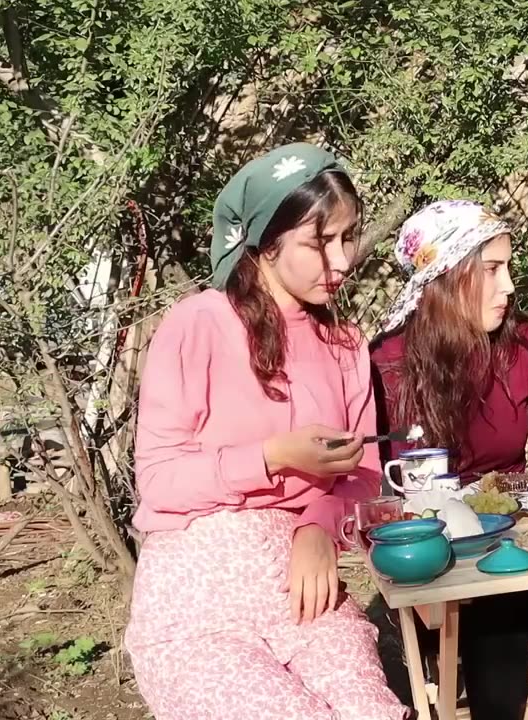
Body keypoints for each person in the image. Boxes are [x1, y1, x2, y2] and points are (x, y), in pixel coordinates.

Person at [124, 144, 407, 720]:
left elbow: (365, 477)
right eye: (318, 243)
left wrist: (318, 528)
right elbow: (159, 481)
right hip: (198, 594)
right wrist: (275, 455)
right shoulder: (199, 323)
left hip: (304, 589)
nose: (343, 261)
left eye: (348, 237)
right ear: (265, 242)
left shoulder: (345, 344)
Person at [371, 200, 528, 720]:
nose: (510, 286)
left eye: (509, 267)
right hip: (445, 544)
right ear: (447, 277)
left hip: (522, 524)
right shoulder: (391, 362)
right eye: (493, 269)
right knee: (497, 608)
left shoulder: (520, 344)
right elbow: (399, 485)